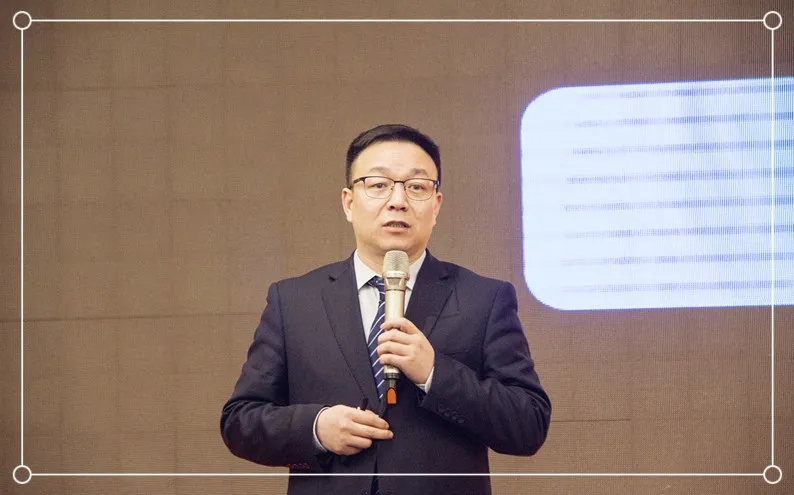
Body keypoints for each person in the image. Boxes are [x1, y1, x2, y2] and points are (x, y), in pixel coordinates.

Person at [220, 124, 551, 495]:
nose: (398, 201)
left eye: (416, 187)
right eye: (378, 185)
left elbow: (528, 425)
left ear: (436, 204)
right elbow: (240, 421)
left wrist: (435, 374)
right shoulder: (294, 301)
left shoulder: (484, 298)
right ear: (348, 202)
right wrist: (316, 428)